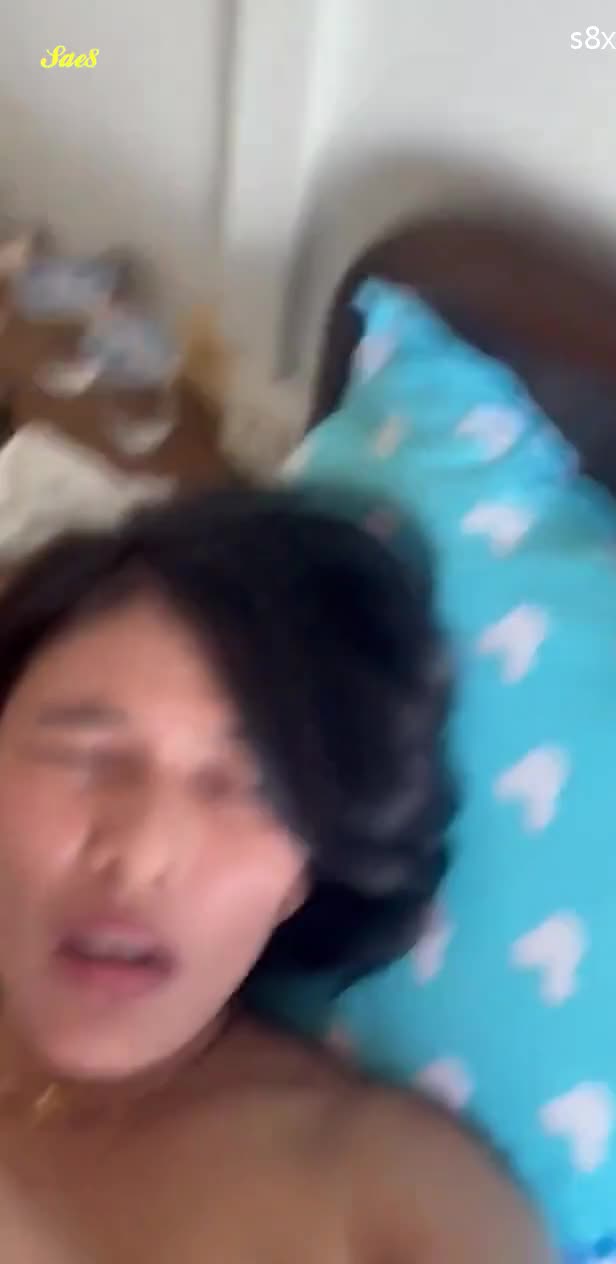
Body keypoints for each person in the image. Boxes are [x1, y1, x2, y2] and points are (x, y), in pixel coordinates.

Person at [0, 483, 552, 1262]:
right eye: (85, 756)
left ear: (304, 873)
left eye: (249, 789)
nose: (142, 855)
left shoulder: (398, 1198)